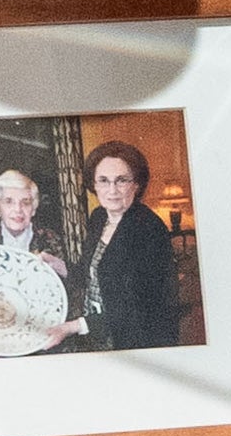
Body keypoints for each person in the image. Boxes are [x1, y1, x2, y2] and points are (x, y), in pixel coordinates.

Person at [75, 135, 192, 349]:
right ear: (94, 184)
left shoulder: (148, 229)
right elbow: (91, 272)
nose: (112, 190)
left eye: (121, 180)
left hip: (136, 340)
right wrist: (58, 265)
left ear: (136, 185)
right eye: (103, 180)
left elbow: (136, 306)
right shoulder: (99, 217)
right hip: (99, 334)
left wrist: (76, 326)